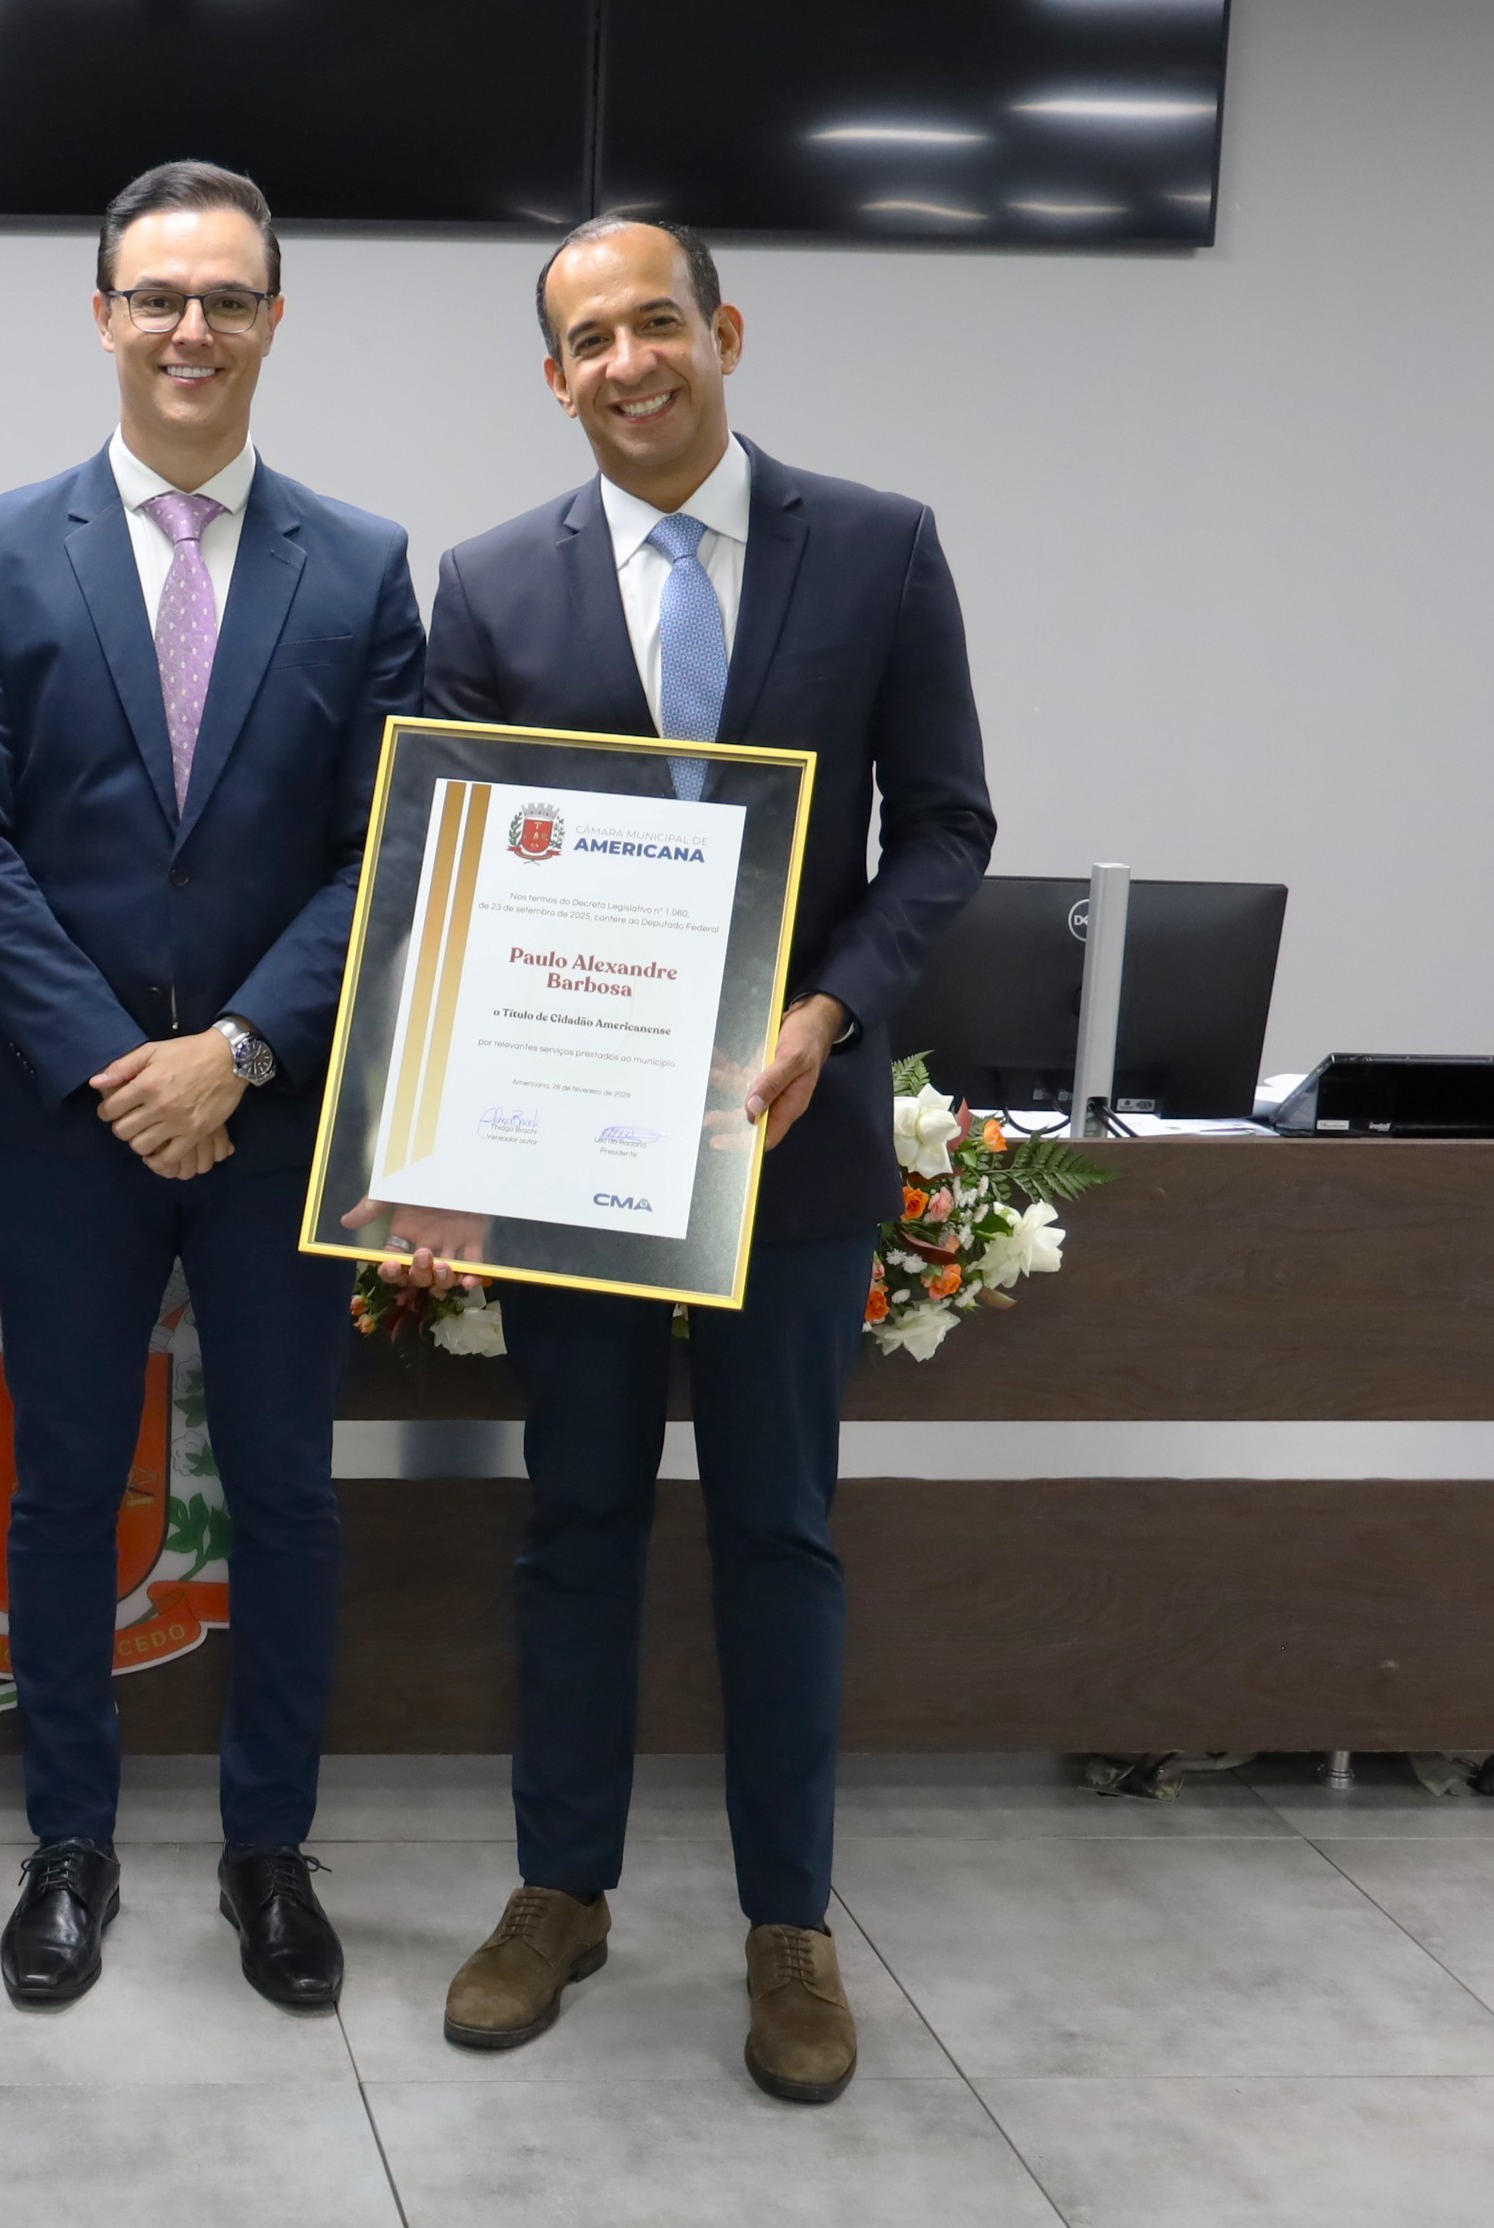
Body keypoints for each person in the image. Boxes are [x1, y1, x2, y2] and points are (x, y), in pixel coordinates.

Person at [396, 215, 994, 2103]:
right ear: (553, 374)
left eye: (658, 322)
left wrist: (827, 1010)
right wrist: (434, 1145)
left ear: (723, 330)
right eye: (589, 339)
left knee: (776, 1536)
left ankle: (787, 1931)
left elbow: (949, 828)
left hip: (788, 1145)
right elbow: (452, 876)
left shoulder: (879, 545)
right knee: (570, 1526)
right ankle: (557, 1895)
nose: (629, 362)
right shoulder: (490, 586)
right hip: (575, 1153)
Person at [0, 162, 426, 2011]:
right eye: (157, 297)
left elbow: (385, 849)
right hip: (70, 1119)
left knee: (287, 1495)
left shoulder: (360, 564)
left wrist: (239, 1050)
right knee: (61, 1491)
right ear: (104, 317)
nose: (189, 328)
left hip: (279, 1118)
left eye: (225, 298)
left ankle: (269, 1856)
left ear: (273, 320)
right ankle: (68, 1846)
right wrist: (123, 1067)